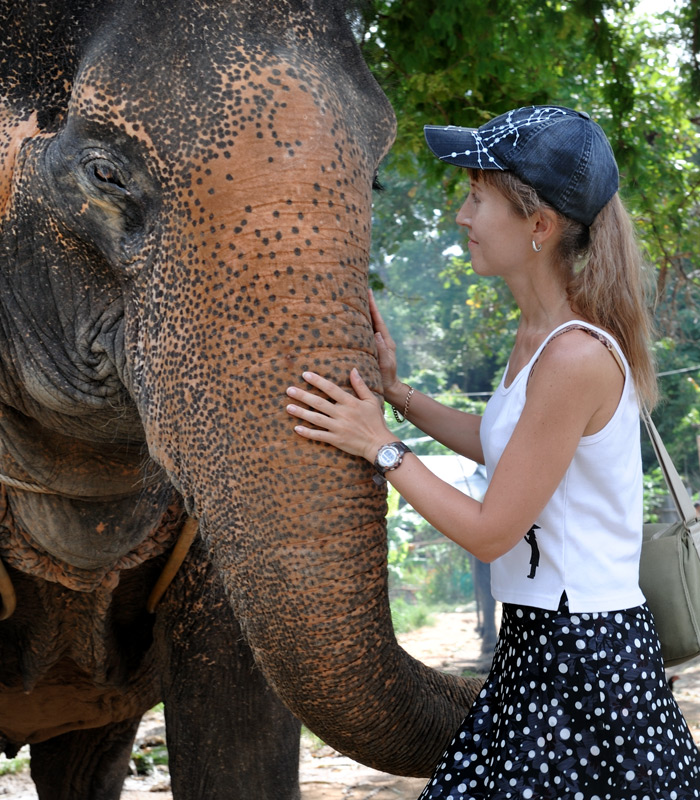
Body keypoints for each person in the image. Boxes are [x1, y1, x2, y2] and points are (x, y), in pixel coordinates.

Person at [286, 105, 700, 798]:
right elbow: (507, 447)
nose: (461, 216)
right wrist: (399, 395)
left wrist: (380, 448)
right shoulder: (541, 336)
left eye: (478, 197)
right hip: (543, 650)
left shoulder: (573, 354)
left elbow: (491, 530)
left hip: (584, 665)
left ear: (538, 227)